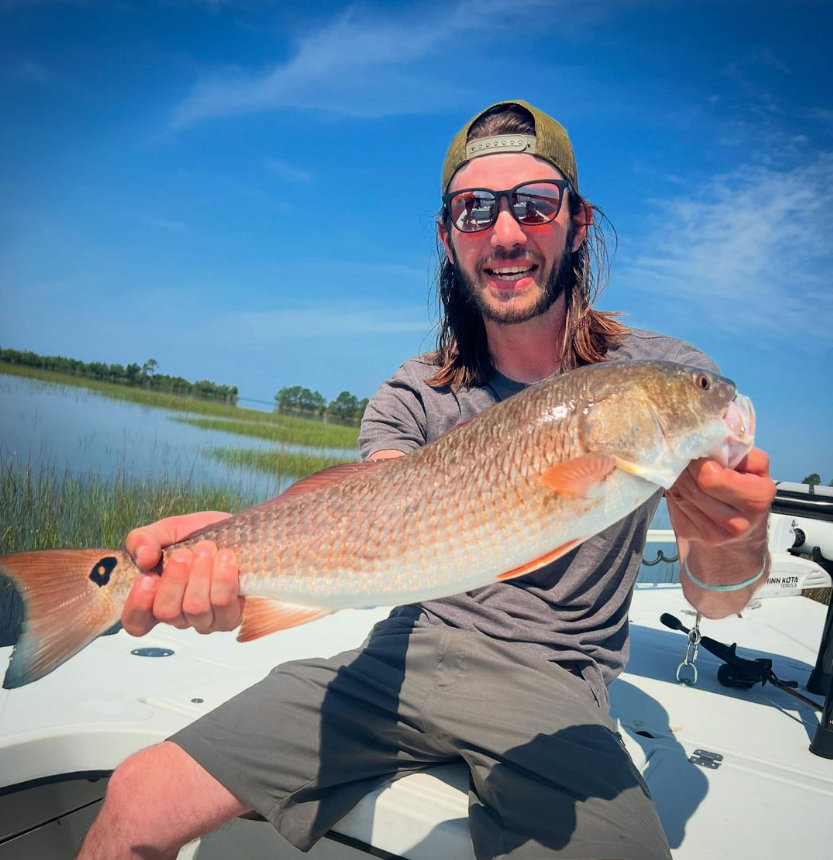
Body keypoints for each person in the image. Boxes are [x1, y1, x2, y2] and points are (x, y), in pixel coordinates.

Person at [77, 100, 776, 860]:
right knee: (135, 797)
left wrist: (735, 541)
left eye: (535, 205)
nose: (506, 233)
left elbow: (717, 600)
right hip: (397, 656)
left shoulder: (667, 376)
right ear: (448, 237)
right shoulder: (413, 390)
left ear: (576, 223)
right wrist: (227, 544)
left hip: (551, 683)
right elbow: (375, 510)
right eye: (475, 210)